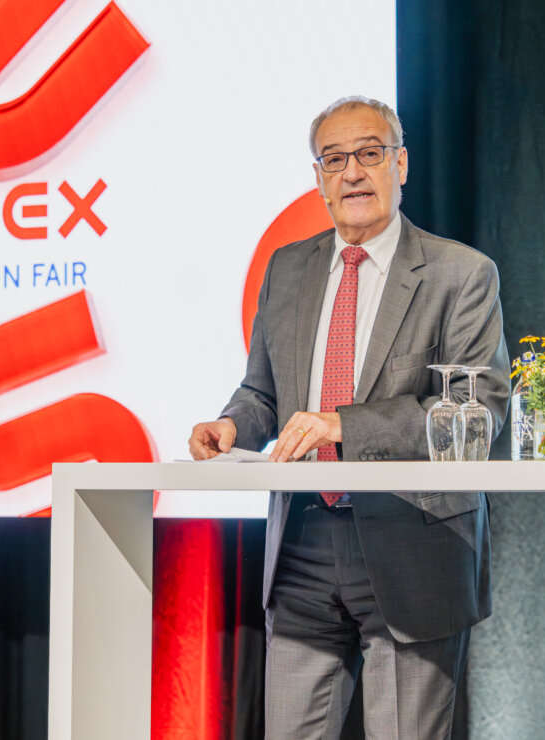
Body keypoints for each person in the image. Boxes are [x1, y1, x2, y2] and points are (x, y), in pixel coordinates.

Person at [187, 96, 510, 739]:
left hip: (413, 540)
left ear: (401, 164)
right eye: (334, 159)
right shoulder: (288, 268)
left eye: (369, 153)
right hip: (303, 544)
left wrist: (345, 424)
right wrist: (231, 426)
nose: (353, 172)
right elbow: (263, 394)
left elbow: (478, 409)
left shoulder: (460, 273)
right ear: (318, 177)